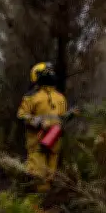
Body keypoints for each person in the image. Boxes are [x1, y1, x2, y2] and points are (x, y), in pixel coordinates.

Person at [17, 62, 68, 193]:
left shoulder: (60, 97)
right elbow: (21, 115)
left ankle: (45, 206)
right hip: (37, 142)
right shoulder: (31, 97)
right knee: (37, 175)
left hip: (53, 142)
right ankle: (37, 205)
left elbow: (62, 118)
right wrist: (36, 122)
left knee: (50, 176)